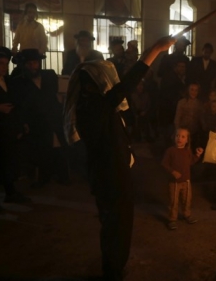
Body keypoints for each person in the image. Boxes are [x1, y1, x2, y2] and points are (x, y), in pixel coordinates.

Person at [63, 36, 175, 280]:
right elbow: (127, 84)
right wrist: (155, 50)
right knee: (117, 224)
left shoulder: (94, 103)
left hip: (110, 171)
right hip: (110, 175)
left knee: (114, 223)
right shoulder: (95, 106)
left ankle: (112, 266)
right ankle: (113, 270)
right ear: (98, 80)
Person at [11, 49, 68, 187]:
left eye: (35, 63)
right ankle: (44, 178)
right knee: (41, 150)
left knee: (60, 147)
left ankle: (63, 176)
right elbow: (21, 103)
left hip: (54, 117)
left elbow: (54, 95)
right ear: (24, 65)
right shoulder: (20, 82)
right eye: (29, 63)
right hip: (36, 121)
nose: (33, 66)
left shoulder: (50, 75)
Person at [0, 46, 31, 207]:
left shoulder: (8, 80)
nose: (4, 67)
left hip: (7, 129)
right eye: (0, 64)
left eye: (5, 64)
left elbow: (16, 103)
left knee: (7, 162)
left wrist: (20, 124)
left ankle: (10, 192)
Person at [161, 128, 203, 229]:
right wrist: (173, 172)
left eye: (183, 137)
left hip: (186, 181)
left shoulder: (187, 151)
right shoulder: (170, 151)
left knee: (187, 199)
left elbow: (191, 162)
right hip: (174, 182)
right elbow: (164, 163)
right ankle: (172, 219)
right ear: (174, 137)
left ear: (187, 140)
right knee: (173, 201)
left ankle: (187, 215)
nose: (179, 138)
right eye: (177, 136)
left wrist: (197, 155)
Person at [174, 82, 203, 149]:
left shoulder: (200, 104)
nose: (194, 92)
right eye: (192, 90)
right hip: (183, 131)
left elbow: (201, 118)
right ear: (188, 90)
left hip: (194, 132)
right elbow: (177, 118)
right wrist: (177, 131)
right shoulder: (182, 102)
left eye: (196, 90)